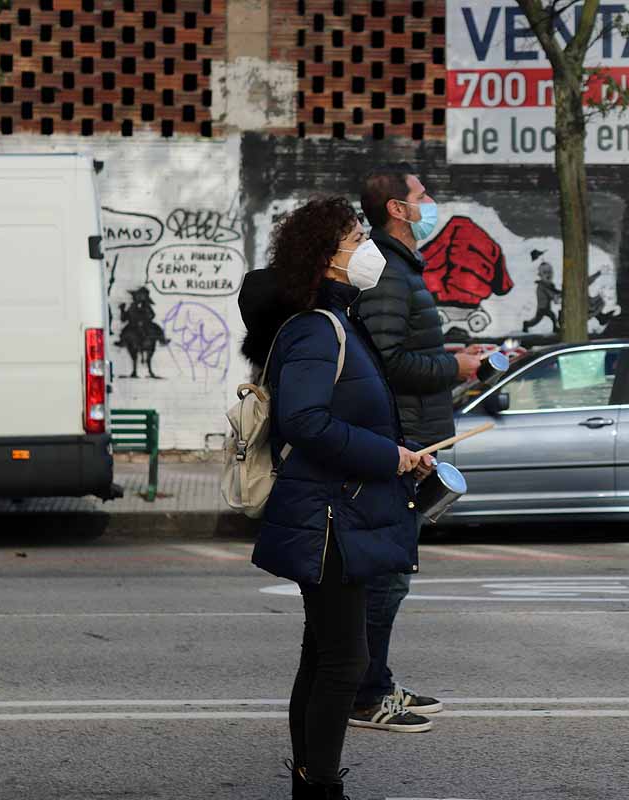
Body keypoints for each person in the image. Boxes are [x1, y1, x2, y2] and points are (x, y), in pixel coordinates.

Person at [239, 196, 436, 797]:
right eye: (355, 239)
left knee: (323, 655)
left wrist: (399, 451)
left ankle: (310, 779)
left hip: (338, 510)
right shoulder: (316, 328)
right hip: (329, 518)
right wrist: (388, 455)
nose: (367, 247)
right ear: (327, 259)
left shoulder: (335, 319)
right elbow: (304, 420)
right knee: (344, 664)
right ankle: (319, 785)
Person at [348, 165, 482, 732]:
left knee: (393, 570)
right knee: (387, 572)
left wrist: (459, 360)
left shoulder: (400, 268)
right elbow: (386, 360)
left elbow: (403, 348)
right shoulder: (384, 272)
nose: (432, 203)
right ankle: (363, 695)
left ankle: (374, 683)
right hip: (398, 440)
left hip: (413, 436)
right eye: (422, 196)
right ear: (398, 210)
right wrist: (455, 366)